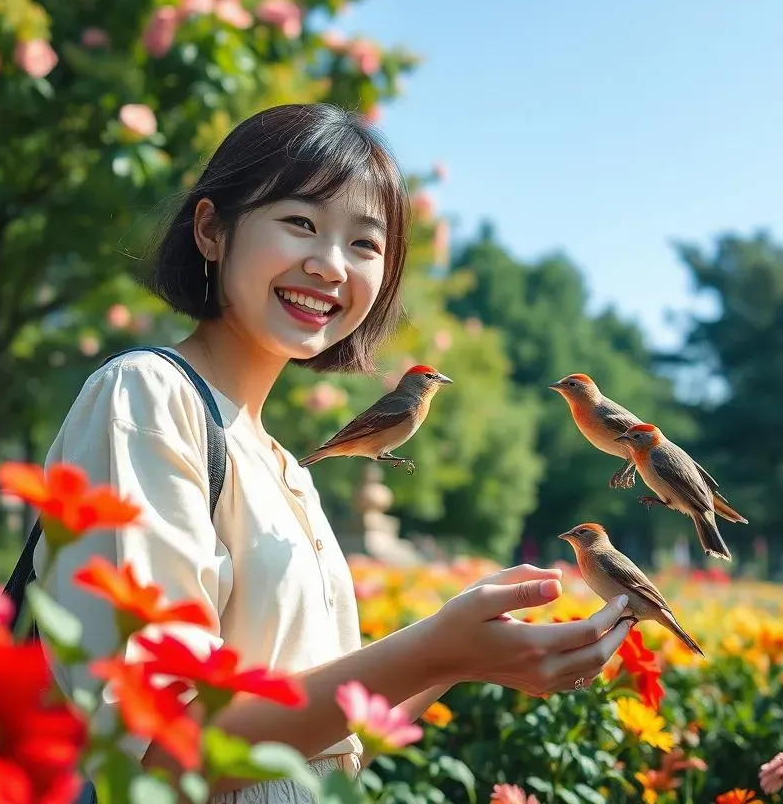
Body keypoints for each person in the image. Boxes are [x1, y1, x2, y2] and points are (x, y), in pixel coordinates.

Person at [35, 103, 633, 803]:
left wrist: (462, 652)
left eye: (365, 244)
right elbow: (160, 755)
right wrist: (436, 647)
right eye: (300, 224)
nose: (329, 266)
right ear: (210, 230)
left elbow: (321, 745)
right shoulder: (146, 398)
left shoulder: (283, 467)